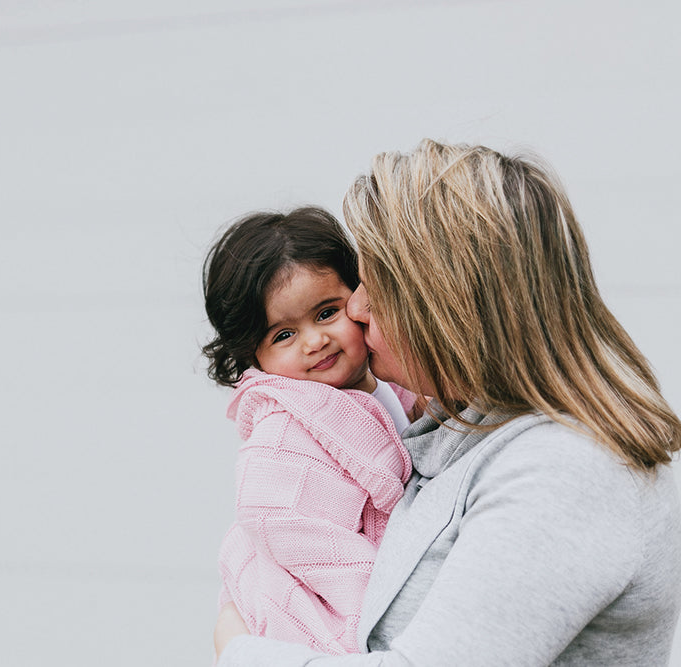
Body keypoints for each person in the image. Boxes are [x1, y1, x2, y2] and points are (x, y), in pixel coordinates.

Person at [213, 139, 681, 666]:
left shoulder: (564, 471)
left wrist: (240, 651)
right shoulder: (459, 427)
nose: (357, 308)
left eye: (375, 285)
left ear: (450, 300)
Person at [202, 207, 420, 654]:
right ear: (253, 356)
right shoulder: (283, 437)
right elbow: (289, 527)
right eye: (283, 335)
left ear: (360, 298)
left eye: (326, 313)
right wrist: (397, 609)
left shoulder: (401, 391)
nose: (313, 341)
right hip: (341, 624)